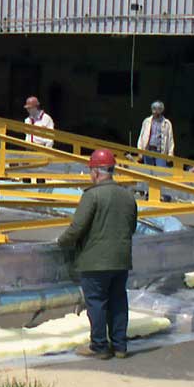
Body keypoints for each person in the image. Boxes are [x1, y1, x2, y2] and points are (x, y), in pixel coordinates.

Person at [56, 149, 138, 360]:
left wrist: (61, 242)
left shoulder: (91, 196)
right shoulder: (128, 197)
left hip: (95, 262)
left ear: (95, 172)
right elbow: (132, 227)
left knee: (97, 302)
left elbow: (77, 228)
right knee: (119, 301)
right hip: (121, 260)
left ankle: (100, 346)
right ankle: (120, 346)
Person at [135, 101, 175, 166]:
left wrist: (170, 154)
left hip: (160, 152)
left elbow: (170, 140)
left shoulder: (167, 123)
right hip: (148, 150)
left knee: (161, 172)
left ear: (161, 110)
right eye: (153, 109)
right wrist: (139, 151)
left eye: (157, 109)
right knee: (148, 171)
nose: (154, 111)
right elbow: (141, 137)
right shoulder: (147, 121)